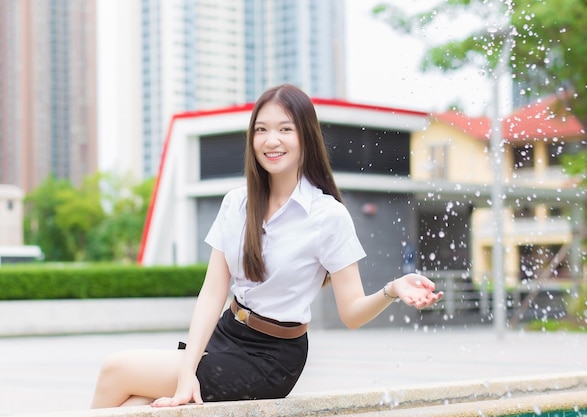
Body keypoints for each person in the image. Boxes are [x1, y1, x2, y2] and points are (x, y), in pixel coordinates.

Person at [90, 84, 443, 409]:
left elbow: (351, 313)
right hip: (227, 333)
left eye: (285, 129)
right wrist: (188, 370)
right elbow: (213, 292)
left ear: (306, 137)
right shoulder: (236, 203)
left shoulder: (327, 216)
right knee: (135, 405)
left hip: (272, 357)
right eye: (261, 129)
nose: (271, 140)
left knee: (116, 370)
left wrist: (392, 289)